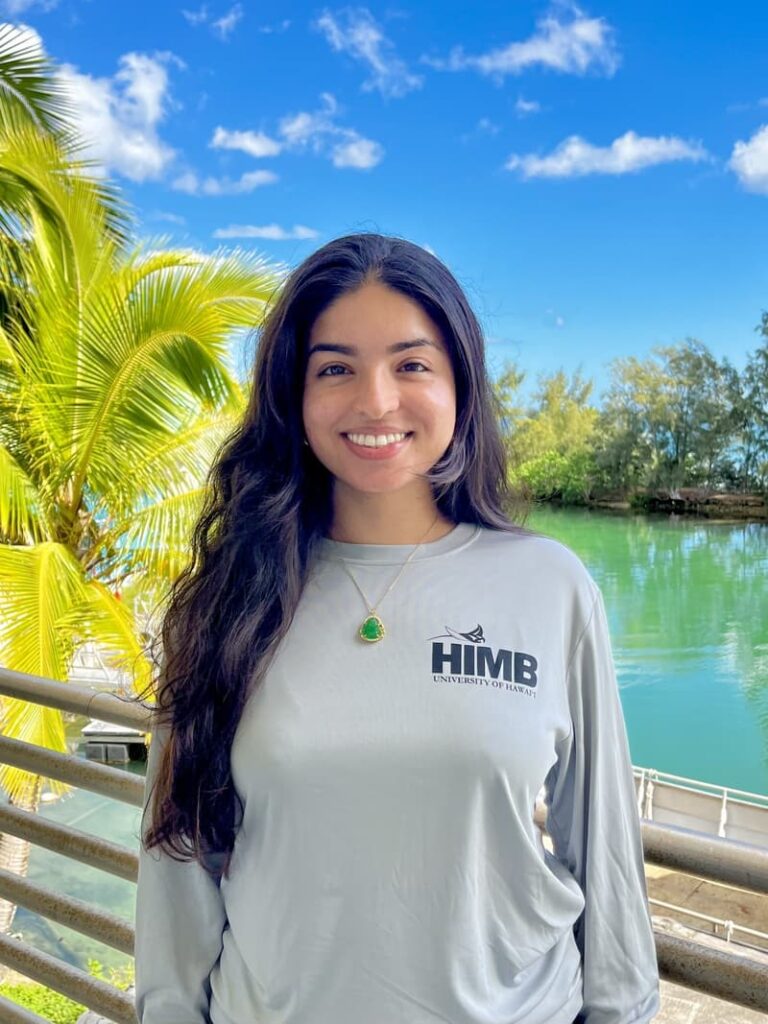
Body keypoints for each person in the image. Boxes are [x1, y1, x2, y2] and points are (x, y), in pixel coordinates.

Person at [133, 232, 660, 1024]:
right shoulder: (227, 601)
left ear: (460, 387)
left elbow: (606, 849)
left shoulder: (551, 587)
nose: (376, 401)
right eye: (335, 367)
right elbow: (180, 868)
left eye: (412, 364)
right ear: (293, 394)